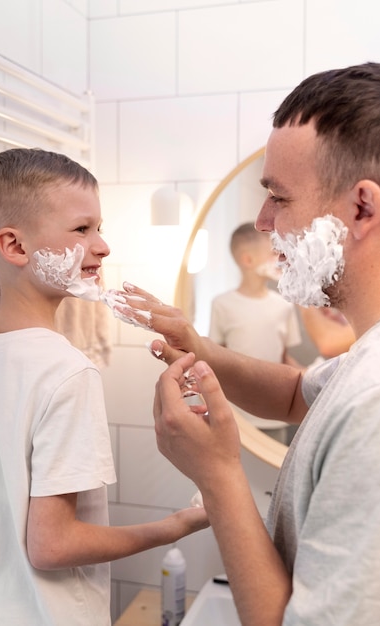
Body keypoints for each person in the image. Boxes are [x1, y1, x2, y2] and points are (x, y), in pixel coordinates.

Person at [109, 63, 380, 625]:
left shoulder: (374, 409)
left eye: (278, 197)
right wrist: (197, 346)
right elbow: (293, 395)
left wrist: (217, 473)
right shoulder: (364, 362)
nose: (261, 221)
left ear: (362, 209)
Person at [0, 148, 208, 626]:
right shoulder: (66, 372)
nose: (103, 246)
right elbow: (54, 545)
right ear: (15, 246)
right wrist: (177, 525)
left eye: (100, 227)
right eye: (82, 229)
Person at [209, 221, 302, 443]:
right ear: (248, 260)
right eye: (273, 253)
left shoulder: (284, 305)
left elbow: (283, 358)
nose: (280, 259)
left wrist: (313, 378)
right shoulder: (222, 304)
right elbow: (217, 357)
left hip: (275, 413)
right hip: (236, 416)